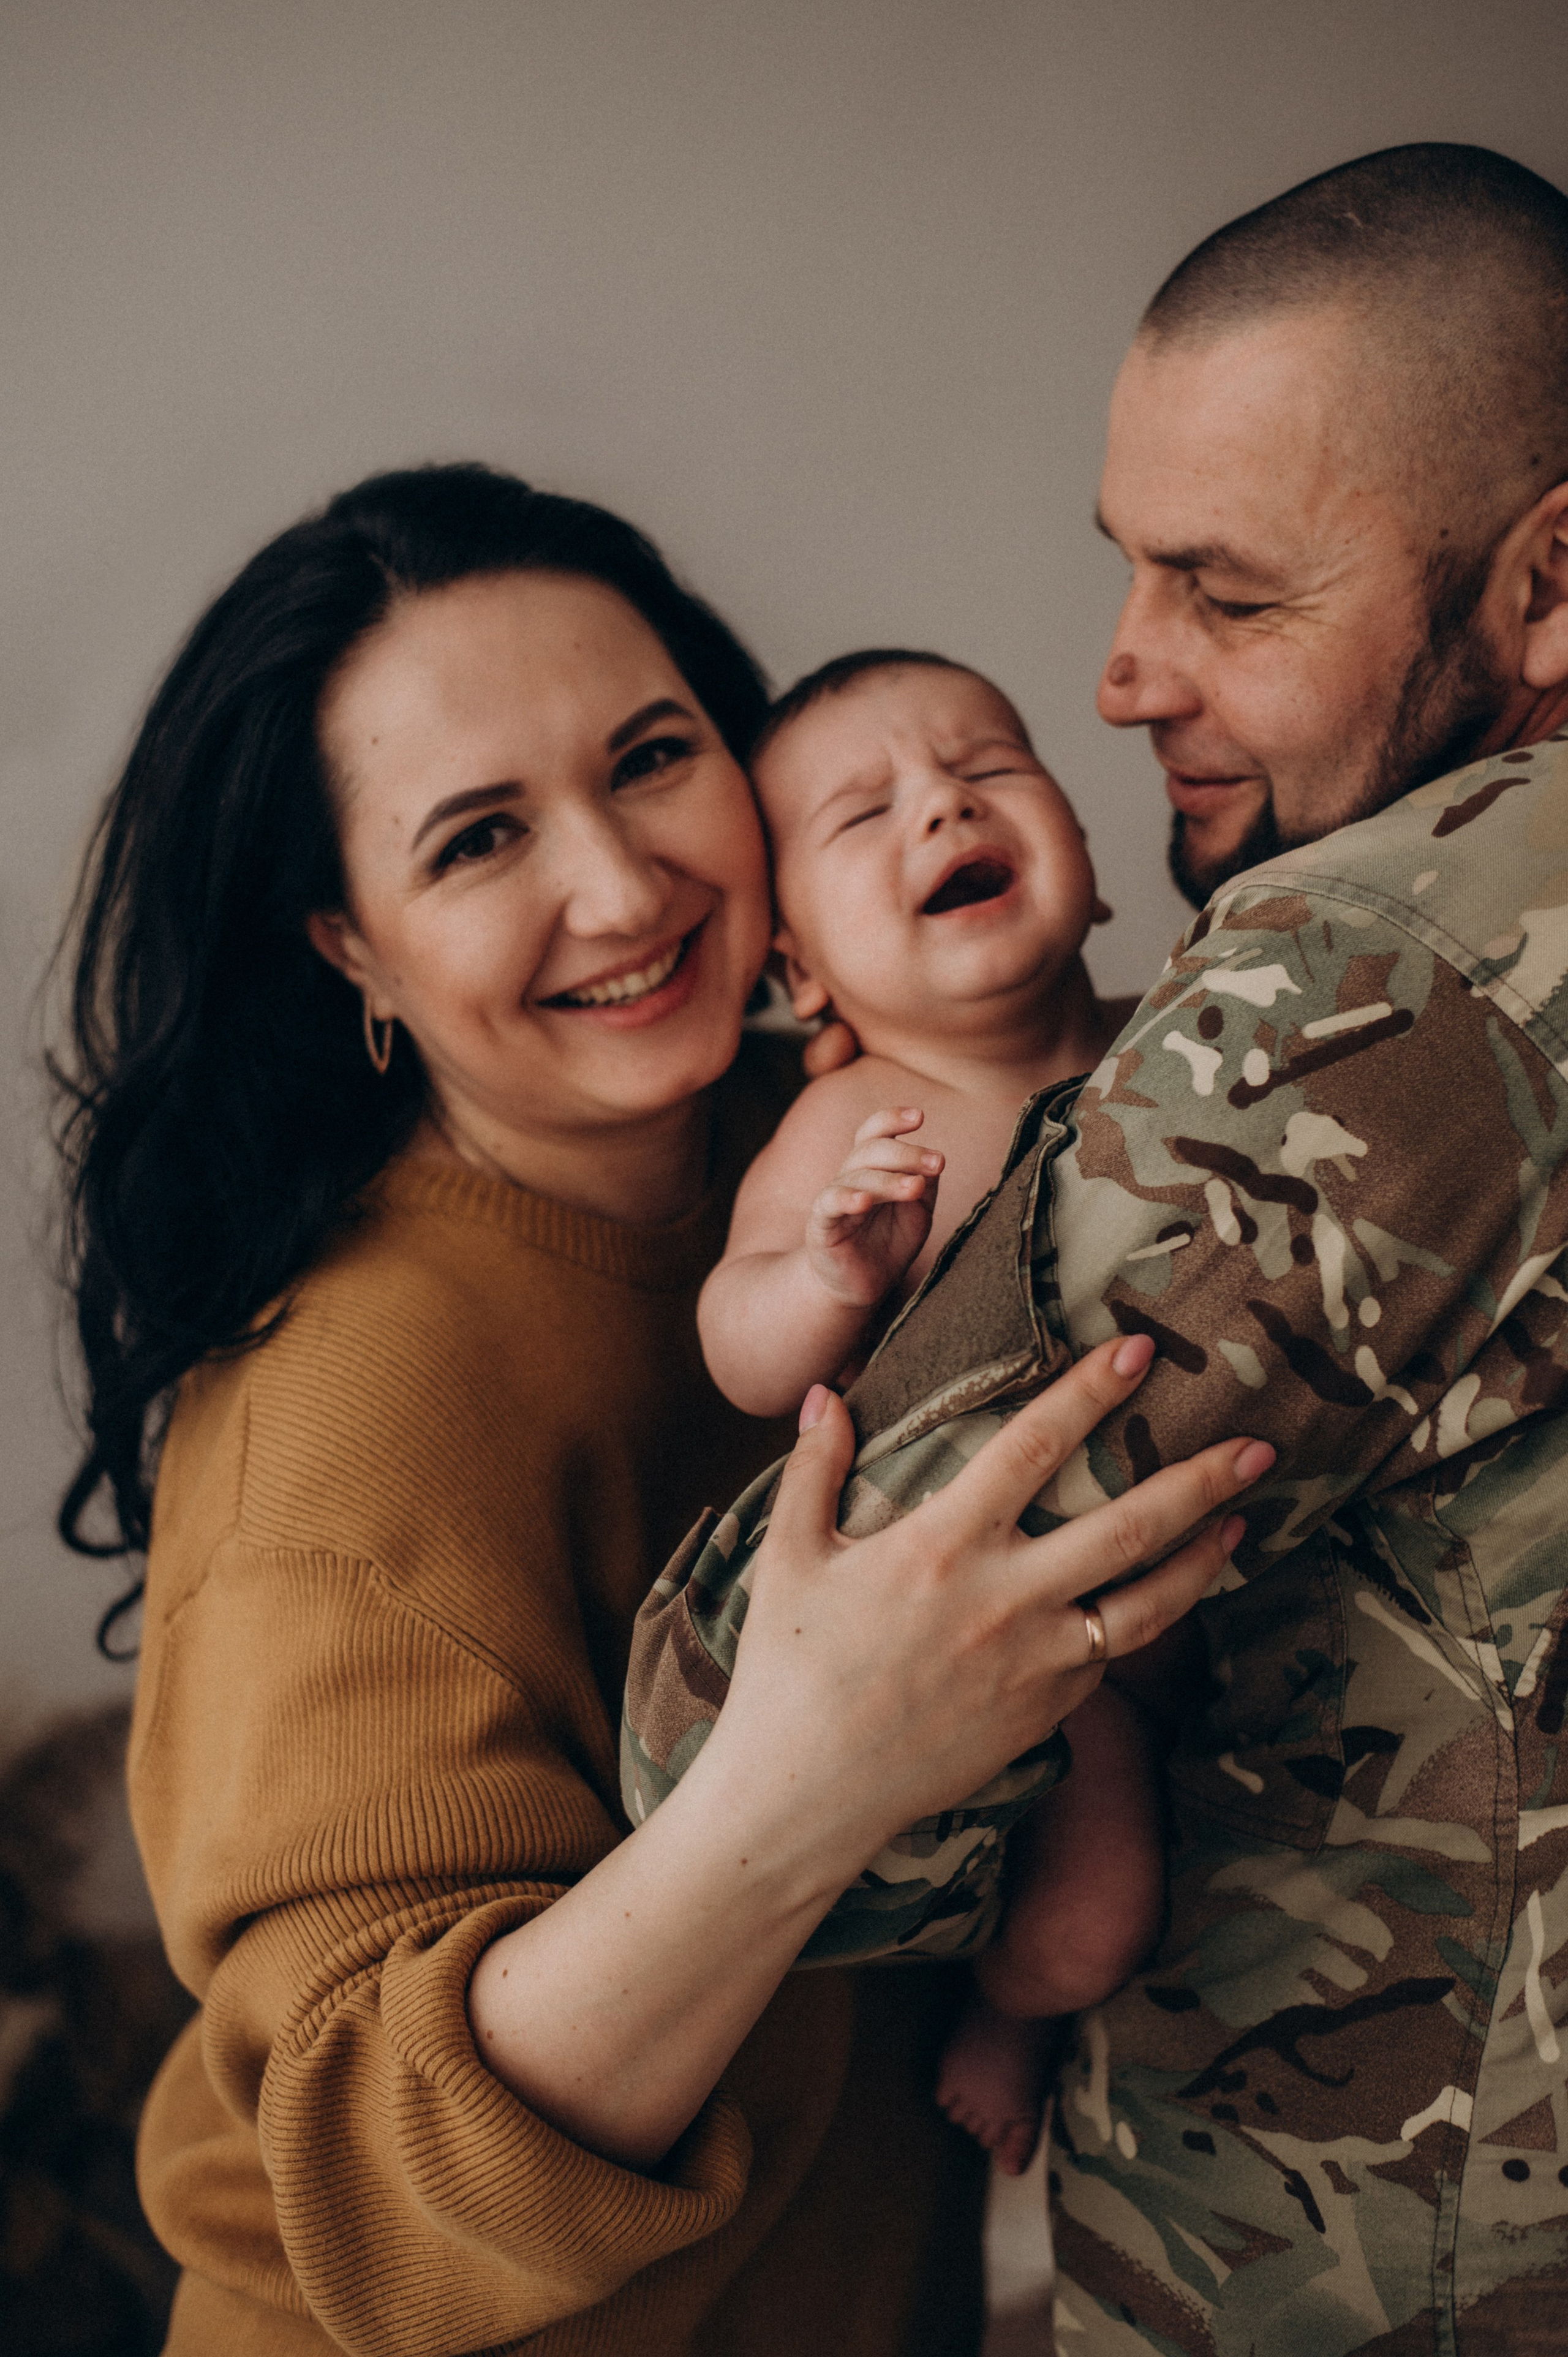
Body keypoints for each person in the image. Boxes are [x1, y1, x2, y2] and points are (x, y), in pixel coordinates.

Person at [53, 462, 1265, 2357]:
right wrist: (811, 1776)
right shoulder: (341, 1426)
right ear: (346, 947)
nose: (623, 888)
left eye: (649, 758)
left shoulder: (834, 1148)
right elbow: (369, 2200)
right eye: (473, 841)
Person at [624, 145, 1568, 2353]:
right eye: (1130, 572)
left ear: (1549, 583)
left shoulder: (1389, 968)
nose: (1125, 673)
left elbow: (771, 1757)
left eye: (1230, 596)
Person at [697, 644, 1156, 2176]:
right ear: (798, 976)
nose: (938, 804)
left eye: (987, 765)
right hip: (1024, 1622)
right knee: (1096, 1918)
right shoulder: (859, 1121)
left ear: (1087, 870)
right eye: (862, 810)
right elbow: (738, 1349)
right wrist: (830, 1270)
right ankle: (1011, 2011)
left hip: (1235, 1562)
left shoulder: (1182, 1042)